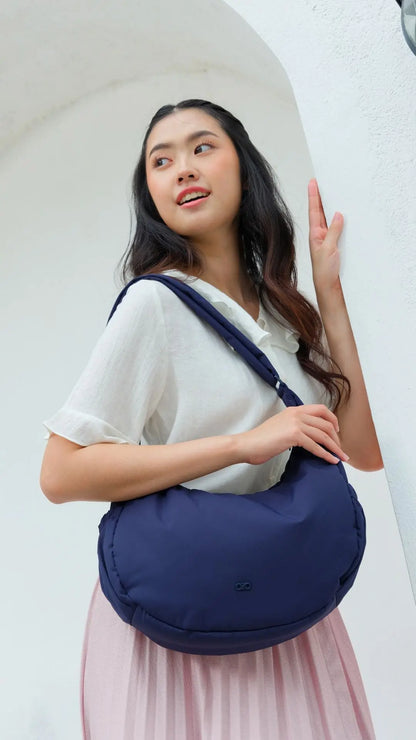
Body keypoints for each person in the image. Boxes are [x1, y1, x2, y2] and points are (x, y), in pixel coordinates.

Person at [40, 99, 382, 739]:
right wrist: (242, 445)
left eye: (202, 148)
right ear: (151, 194)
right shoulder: (154, 304)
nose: (182, 170)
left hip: (284, 603)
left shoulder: (284, 313)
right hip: (180, 613)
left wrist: (328, 294)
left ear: (244, 169)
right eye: (161, 161)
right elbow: (61, 472)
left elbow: (363, 450)